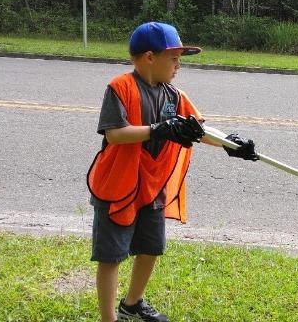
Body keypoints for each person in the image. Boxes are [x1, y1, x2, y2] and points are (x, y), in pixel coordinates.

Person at [87, 21, 259, 322]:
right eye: (174, 58)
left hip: (152, 187)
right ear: (150, 57)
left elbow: (199, 129)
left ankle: (133, 304)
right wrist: (159, 129)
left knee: (151, 248)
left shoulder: (174, 96)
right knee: (111, 256)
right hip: (118, 187)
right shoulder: (120, 88)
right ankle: (108, 318)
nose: (178, 65)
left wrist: (230, 143)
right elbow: (115, 134)